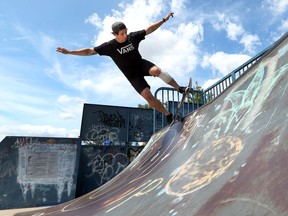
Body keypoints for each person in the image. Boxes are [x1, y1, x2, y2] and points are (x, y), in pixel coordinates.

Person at [57, 12, 188, 124]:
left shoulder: (132, 37)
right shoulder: (109, 46)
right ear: (114, 34)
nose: (125, 36)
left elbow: (149, 29)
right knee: (147, 96)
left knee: (157, 71)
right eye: (122, 34)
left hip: (141, 64)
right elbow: (89, 51)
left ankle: (180, 88)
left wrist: (163, 20)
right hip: (132, 75)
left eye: (126, 32)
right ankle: (168, 115)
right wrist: (69, 52)